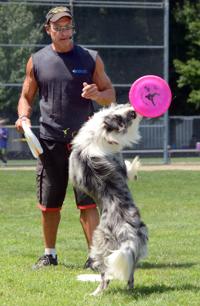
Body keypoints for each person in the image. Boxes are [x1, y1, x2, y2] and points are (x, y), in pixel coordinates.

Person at [15, 6, 116, 269]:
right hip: (49, 142)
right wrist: (23, 117)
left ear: (73, 28)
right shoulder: (36, 60)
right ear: (48, 29)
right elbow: (26, 97)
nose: (64, 32)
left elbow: (110, 95)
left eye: (68, 27)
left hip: (83, 143)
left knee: (87, 203)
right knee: (49, 204)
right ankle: (50, 255)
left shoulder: (90, 58)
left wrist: (97, 94)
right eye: (58, 27)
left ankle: (94, 257)